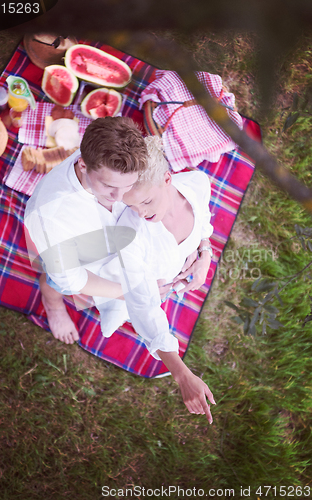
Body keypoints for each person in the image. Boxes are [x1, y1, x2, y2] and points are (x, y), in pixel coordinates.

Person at [96, 135, 216, 421]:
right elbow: (145, 306)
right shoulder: (131, 232)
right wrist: (182, 374)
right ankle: (109, 307)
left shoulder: (198, 183)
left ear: (167, 178)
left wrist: (205, 253)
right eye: (132, 205)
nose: (141, 213)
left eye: (147, 201)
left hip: (169, 274)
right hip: (128, 279)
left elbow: (204, 221)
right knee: (119, 313)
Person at [24, 116, 148, 345]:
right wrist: (127, 293)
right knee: (54, 281)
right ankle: (52, 305)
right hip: (65, 255)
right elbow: (71, 279)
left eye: (128, 185)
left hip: (109, 238)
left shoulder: (114, 163)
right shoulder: (52, 217)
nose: (120, 198)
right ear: (82, 164)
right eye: (109, 186)